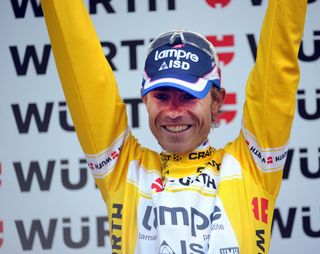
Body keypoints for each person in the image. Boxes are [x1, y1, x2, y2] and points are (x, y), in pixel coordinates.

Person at [40, 0, 307, 253]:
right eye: (162, 96)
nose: (174, 112)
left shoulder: (252, 164)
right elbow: (78, 58)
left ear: (217, 101)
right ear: (145, 99)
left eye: (189, 96)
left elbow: (278, 59)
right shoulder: (123, 168)